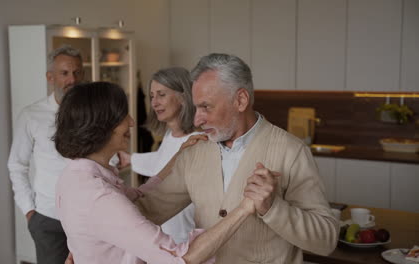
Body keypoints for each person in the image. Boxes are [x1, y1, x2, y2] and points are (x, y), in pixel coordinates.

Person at [135, 53, 339, 264]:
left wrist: (273, 208)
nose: (197, 119)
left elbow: (326, 240)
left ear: (240, 100)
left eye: (206, 107)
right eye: (196, 107)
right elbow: (148, 210)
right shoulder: (194, 152)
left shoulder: (291, 151)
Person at [54, 81, 256, 264]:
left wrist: (178, 158)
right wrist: (245, 208)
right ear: (102, 126)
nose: (132, 122)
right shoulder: (100, 197)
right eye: (124, 116)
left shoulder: (72, 176)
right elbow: (179, 259)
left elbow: (138, 197)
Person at [7, 45, 84, 264]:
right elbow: (17, 165)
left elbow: (111, 159)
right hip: (49, 220)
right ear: (50, 77)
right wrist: (29, 211)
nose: (72, 79)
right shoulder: (31, 115)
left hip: (89, 216)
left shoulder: (93, 113)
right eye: (65, 73)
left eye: (77, 72)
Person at [118, 67, 201, 243]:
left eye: (161, 95)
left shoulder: (198, 141)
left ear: (183, 97)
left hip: (187, 239)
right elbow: (161, 162)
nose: (154, 103)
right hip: (165, 235)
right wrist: (130, 159)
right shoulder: (170, 135)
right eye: (152, 96)